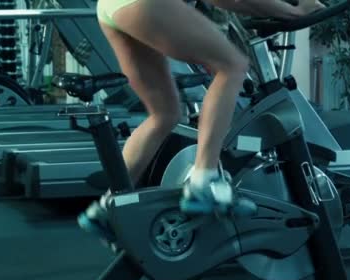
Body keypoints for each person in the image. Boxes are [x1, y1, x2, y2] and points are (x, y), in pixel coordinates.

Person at [79, 0, 325, 247]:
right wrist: (293, 11)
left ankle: (108, 208)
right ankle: (203, 183)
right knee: (232, 66)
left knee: (164, 114)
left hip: (111, 9)